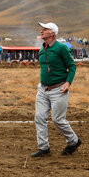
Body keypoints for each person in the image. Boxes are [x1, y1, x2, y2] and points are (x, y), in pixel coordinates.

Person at [31, 22, 82, 157]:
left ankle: (73, 141)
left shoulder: (61, 48)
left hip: (58, 89)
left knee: (58, 119)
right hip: (43, 89)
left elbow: (71, 66)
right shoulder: (42, 49)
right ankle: (44, 148)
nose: (41, 31)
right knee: (39, 117)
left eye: (45, 29)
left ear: (52, 33)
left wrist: (68, 83)